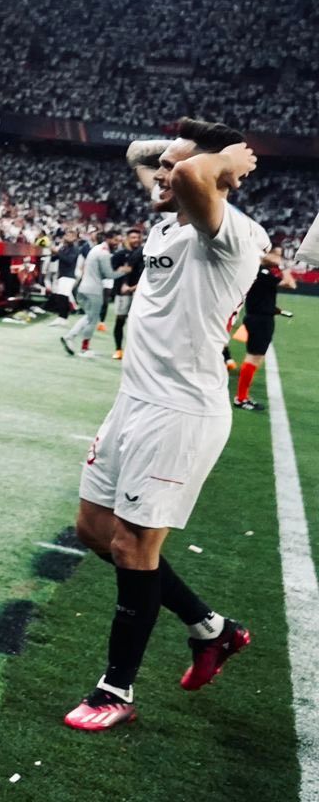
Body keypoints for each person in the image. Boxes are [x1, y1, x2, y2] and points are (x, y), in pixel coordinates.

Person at [65, 121, 266, 732]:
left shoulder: (229, 234)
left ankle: (115, 689)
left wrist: (226, 160)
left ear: (212, 177)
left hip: (180, 412)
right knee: (95, 531)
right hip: (134, 402)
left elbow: (193, 173)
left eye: (173, 169)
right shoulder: (169, 221)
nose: (160, 176)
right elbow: (140, 155)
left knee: (134, 546)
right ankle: (212, 629)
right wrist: (176, 153)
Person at [232, 244, 289, 412]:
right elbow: (290, 283)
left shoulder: (257, 271)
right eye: (276, 255)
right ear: (266, 255)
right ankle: (241, 398)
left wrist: (272, 308)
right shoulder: (262, 272)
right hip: (260, 320)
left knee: (255, 357)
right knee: (253, 358)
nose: (278, 258)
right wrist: (284, 266)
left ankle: (242, 396)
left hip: (257, 317)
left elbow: (259, 297)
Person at [62, 227, 119, 357]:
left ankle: (70, 337)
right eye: (116, 240)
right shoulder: (103, 252)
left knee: (89, 316)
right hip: (93, 289)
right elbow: (108, 274)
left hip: (84, 287)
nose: (117, 243)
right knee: (92, 319)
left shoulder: (95, 249)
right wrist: (124, 271)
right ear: (108, 239)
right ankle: (83, 347)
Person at [109, 225, 144, 360]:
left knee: (137, 323)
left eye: (138, 237)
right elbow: (111, 271)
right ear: (127, 239)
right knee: (120, 320)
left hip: (139, 293)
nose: (136, 240)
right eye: (133, 237)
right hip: (123, 293)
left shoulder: (144, 253)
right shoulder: (120, 254)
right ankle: (118, 349)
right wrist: (122, 278)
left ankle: (134, 352)